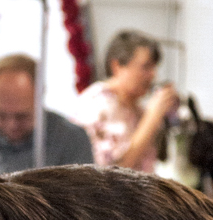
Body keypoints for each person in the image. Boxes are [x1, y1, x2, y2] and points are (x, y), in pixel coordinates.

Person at [0, 53, 93, 174]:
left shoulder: (72, 140)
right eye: (1, 115)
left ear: (40, 99)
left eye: (22, 116)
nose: (12, 125)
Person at [73, 30, 178, 171]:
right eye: (145, 67)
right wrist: (151, 118)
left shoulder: (136, 107)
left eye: (154, 68)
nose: (153, 75)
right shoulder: (96, 105)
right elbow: (109, 175)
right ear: (117, 66)